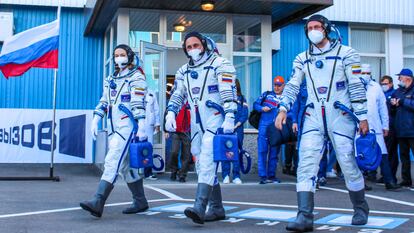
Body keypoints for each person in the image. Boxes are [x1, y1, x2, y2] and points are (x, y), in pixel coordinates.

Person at [275, 15, 370, 231]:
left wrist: (363, 116)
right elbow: (292, 85)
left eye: (317, 27)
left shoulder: (346, 54)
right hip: (313, 116)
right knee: (306, 163)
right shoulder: (302, 58)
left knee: (347, 163)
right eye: (309, 28)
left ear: (326, 29)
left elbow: (356, 86)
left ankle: (360, 208)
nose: (313, 31)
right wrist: (283, 109)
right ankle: (304, 216)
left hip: (341, 116)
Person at [165, 32, 237, 224]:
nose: (192, 49)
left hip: (216, 120)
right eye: (188, 47)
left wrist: (230, 116)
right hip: (196, 124)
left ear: (204, 45)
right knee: (201, 164)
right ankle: (217, 208)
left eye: (195, 45)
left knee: (206, 161)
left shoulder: (220, 64)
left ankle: (200, 206)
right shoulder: (183, 71)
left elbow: (228, 92)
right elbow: (178, 94)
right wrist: (171, 112)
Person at [80, 44, 149, 217]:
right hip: (113, 127)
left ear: (130, 56)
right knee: (126, 167)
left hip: (128, 126)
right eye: (116, 55)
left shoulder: (137, 77)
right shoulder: (111, 79)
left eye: (122, 54)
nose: (119, 58)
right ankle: (140, 201)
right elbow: (104, 101)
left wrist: (141, 123)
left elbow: (137, 102)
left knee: (112, 160)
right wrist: (96, 118)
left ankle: (98, 200)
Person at [359, 64, 400, 190]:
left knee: (382, 154)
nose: (365, 75)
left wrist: (385, 126)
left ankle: (389, 181)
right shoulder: (354, 86)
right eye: (363, 72)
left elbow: (383, 108)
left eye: (367, 73)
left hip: (375, 126)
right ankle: (360, 183)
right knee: (360, 155)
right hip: (359, 127)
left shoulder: (376, 87)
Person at [254, 76, 285, 184]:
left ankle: (271, 176)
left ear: (283, 86)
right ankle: (263, 176)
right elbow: (255, 105)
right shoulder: (266, 94)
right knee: (262, 151)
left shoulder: (286, 98)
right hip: (264, 125)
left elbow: (290, 111)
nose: (276, 87)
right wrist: (262, 108)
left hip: (276, 127)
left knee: (274, 152)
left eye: (279, 85)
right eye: (275, 85)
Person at [391, 68, 414, 187]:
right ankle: (406, 180)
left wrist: (403, 101)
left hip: (412, 130)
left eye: (400, 77)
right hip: (401, 130)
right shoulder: (398, 91)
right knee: (404, 157)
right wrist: (393, 104)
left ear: (408, 78)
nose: (399, 79)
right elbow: (393, 106)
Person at [222, 79, 248, 184]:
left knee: (236, 152)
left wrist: (237, 125)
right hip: (226, 129)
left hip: (238, 129)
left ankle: (236, 176)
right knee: (226, 152)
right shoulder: (224, 99)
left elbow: (245, 114)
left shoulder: (242, 99)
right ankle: (226, 175)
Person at [167, 101, 191, 182]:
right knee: (174, 151)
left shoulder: (191, 99)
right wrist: (165, 130)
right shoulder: (175, 99)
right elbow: (167, 113)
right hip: (175, 130)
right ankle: (174, 171)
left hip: (187, 131)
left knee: (186, 154)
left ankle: (182, 175)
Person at [380, 75, 398, 183]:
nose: (384, 86)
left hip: (391, 126)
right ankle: (385, 175)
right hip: (382, 126)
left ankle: (392, 176)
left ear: (391, 84)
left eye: (385, 84)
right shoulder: (381, 93)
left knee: (391, 152)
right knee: (384, 152)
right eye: (382, 84)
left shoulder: (394, 94)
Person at [144, 90, 161, 180]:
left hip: (149, 125)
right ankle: (132, 171)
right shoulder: (132, 90)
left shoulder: (151, 92)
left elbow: (156, 109)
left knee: (149, 149)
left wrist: (157, 123)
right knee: (135, 147)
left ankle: (148, 173)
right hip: (137, 124)